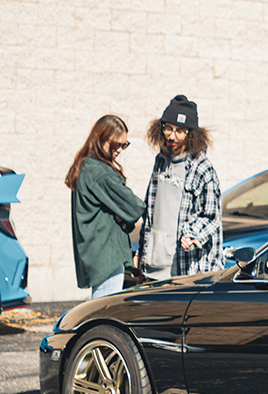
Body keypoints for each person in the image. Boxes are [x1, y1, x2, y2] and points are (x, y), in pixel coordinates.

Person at [137, 94, 224, 279]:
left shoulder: (202, 169)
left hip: (185, 266)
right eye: (168, 128)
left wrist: (192, 235)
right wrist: (141, 251)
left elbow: (211, 216)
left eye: (179, 131)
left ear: (190, 134)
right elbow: (151, 212)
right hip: (153, 264)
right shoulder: (160, 161)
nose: (172, 136)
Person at [66, 115, 146, 298]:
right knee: (103, 314)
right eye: (116, 144)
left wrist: (120, 216)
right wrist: (122, 216)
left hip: (98, 254)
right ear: (100, 138)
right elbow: (135, 208)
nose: (120, 149)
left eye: (124, 145)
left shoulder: (86, 166)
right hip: (106, 256)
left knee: (101, 309)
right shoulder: (99, 172)